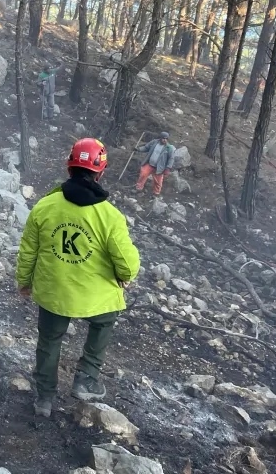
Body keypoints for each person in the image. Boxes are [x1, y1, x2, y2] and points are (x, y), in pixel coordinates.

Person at [16, 138, 140, 418]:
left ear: (69, 168)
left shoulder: (45, 206)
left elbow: (28, 251)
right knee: (105, 320)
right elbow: (126, 261)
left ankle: (44, 399)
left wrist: (24, 282)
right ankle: (86, 377)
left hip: (53, 292)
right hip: (96, 296)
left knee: (49, 341)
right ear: (101, 171)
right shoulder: (109, 216)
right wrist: (125, 276)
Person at [135, 132, 176, 196]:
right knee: (143, 175)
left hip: (159, 168)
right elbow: (146, 148)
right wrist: (138, 149)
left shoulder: (169, 148)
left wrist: (168, 168)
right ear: (160, 138)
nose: (165, 140)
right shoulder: (154, 142)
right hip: (149, 164)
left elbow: (171, 158)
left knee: (158, 182)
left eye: (166, 139)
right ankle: (138, 189)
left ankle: (156, 193)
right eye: (163, 138)